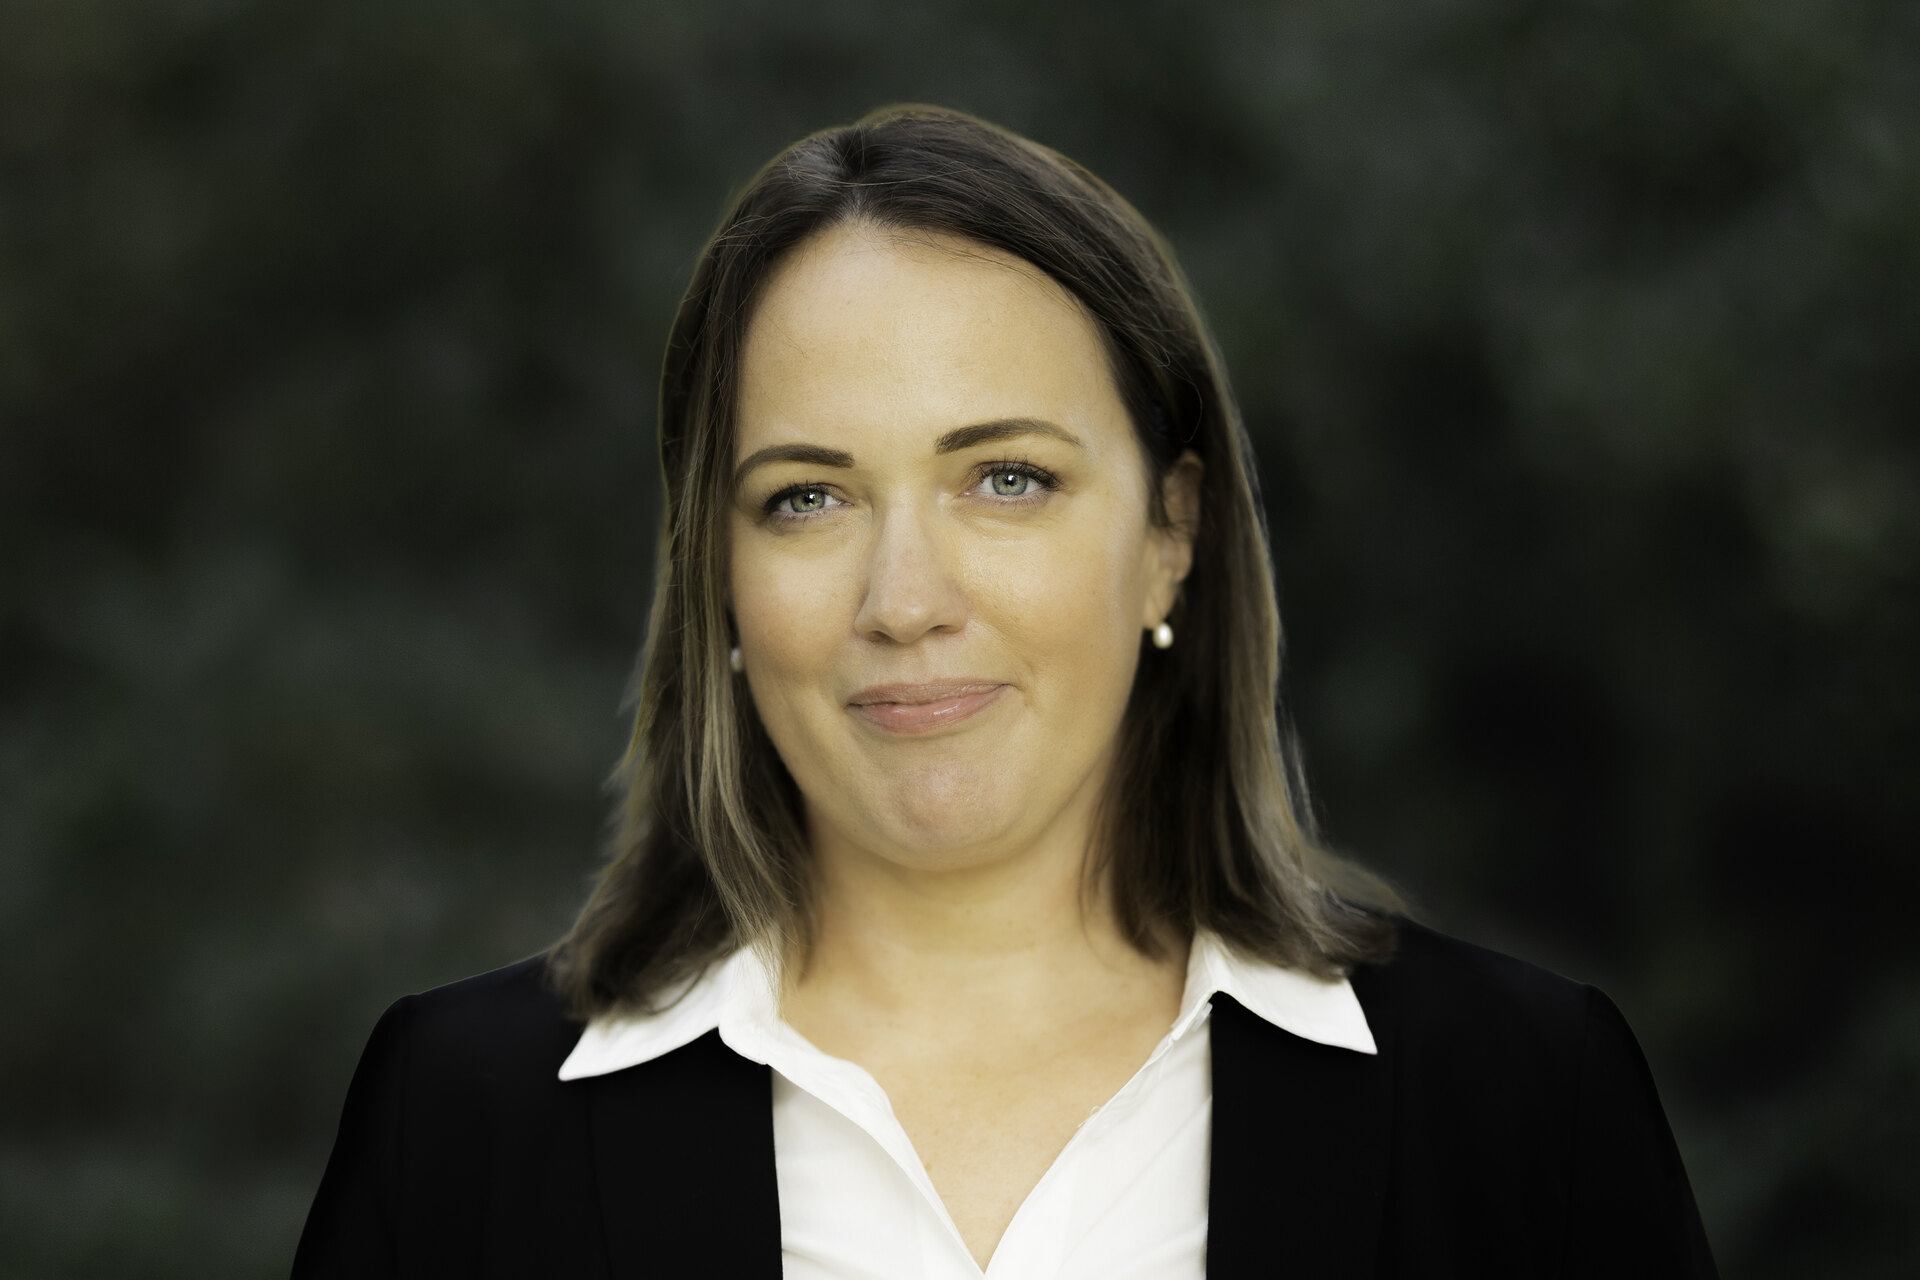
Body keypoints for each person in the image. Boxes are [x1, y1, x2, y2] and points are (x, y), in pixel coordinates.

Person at [293, 105, 1717, 1279]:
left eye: (1008, 479)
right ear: (716, 575)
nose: (905, 599)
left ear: (1170, 535)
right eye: (806, 499)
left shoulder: (1521, 1106)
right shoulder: (461, 1123)